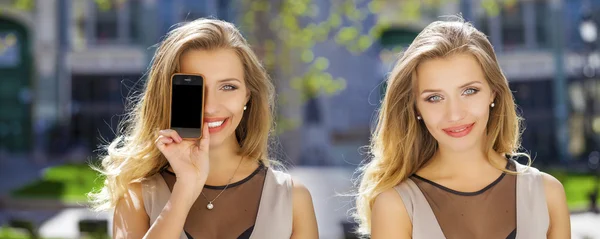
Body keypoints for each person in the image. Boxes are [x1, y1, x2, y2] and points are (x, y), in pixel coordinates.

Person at [89, 18, 318, 239]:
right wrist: (184, 189)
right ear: (167, 96)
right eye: (194, 89)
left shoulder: (292, 199)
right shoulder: (137, 198)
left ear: (247, 95)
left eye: (228, 87)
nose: (209, 107)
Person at [355, 19, 571, 239]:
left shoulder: (546, 194)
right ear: (415, 108)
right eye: (435, 98)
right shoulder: (396, 206)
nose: (455, 114)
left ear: (493, 92)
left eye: (469, 91)